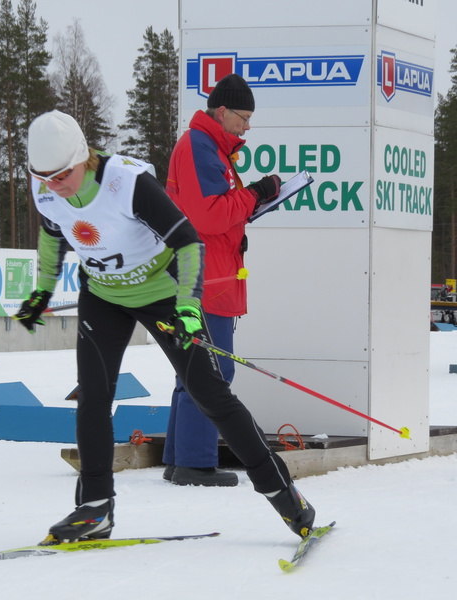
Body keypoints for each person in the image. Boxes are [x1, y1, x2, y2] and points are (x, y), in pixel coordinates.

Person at [16, 110, 316, 545]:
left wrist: (189, 307)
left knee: (210, 395)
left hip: (162, 292)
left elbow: (188, 241)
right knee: (93, 397)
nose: (54, 184)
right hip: (103, 295)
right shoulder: (46, 187)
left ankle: (284, 495)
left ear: (83, 157)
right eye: (43, 177)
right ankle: (94, 508)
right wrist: (42, 290)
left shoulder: (126, 182)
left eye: (62, 174)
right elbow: (52, 232)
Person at [162, 74, 282, 487]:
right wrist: (255, 194)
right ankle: (194, 464)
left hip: (207, 274)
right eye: (243, 117)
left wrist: (254, 201)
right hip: (204, 279)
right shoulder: (199, 146)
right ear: (222, 111)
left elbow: (214, 210)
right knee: (212, 373)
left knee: (193, 370)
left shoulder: (209, 147)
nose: (247, 126)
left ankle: (180, 458)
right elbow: (209, 215)